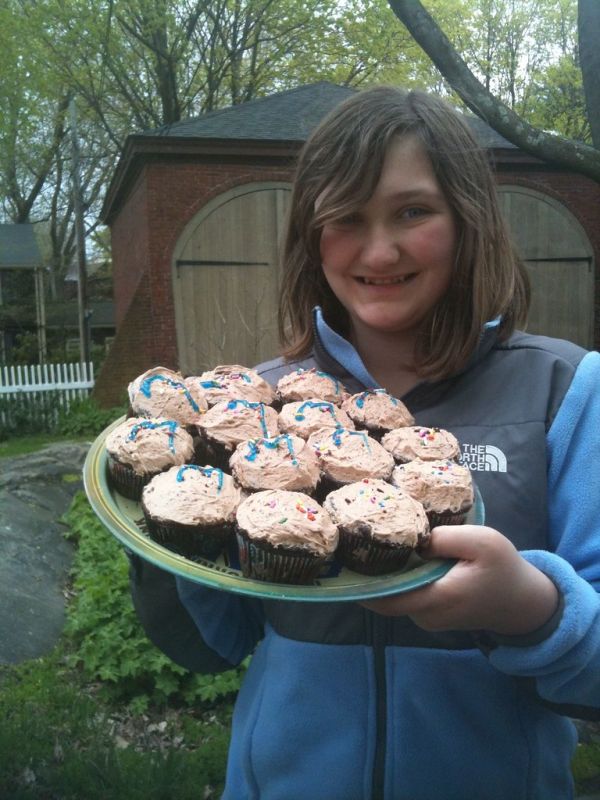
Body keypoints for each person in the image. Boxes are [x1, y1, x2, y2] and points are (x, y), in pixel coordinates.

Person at [129, 86, 600, 799]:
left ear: (468, 220)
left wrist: (531, 610)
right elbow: (211, 645)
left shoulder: (565, 391)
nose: (379, 250)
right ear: (310, 235)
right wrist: (155, 517)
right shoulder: (260, 413)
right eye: (346, 217)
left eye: (413, 211)